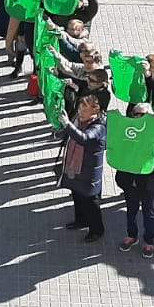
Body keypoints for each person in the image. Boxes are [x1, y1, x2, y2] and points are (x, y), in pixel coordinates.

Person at [117, 99, 154, 259]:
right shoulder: (128, 130)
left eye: (143, 115)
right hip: (130, 179)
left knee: (148, 211)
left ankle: (149, 241)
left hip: (149, 179)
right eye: (136, 114)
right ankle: (132, 236)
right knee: (131, 210)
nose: (139, 117)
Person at [59, 93, 107, 242]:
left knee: (91, 203)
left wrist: (68, 125)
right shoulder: (79, 120)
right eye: (80, 107)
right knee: (77, 196)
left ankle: (97, 230)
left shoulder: (98, 127)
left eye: (84, 109)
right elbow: (71, 134)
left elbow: (83, 138)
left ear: (95, 111)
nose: (80, 111)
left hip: (89, 173)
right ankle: (80, 221)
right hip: (76, 168)